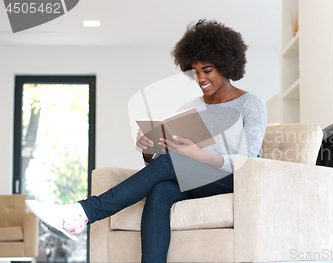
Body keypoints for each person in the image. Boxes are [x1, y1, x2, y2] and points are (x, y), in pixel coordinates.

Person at [26, 19, 267, 263]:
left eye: (207, 70)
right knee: (161, 189)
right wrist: (150, 151)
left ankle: (83, 213)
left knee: (173, 163)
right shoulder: (189, 108)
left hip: (237, 181)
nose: (200, 78)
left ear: (227, 65)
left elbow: (248, 162)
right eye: (195, 72)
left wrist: (199, 156)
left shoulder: (251, 104)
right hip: (197, 179)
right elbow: (171, 160)